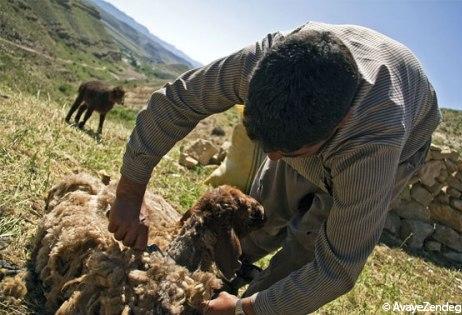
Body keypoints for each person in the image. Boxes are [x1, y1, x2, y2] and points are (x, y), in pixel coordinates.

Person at [107, 22, 440, 315]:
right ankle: (229, 272)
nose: (273, 158)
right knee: (265, 210)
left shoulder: (373, 145)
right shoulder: (260, 64)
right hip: (311, 126)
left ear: (342, 122)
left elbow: (336, 269)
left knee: (306, 246)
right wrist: (129, 193)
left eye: (288, 151)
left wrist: (245, 310)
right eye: (266, 144)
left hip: (396, 136)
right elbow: (175, 102)